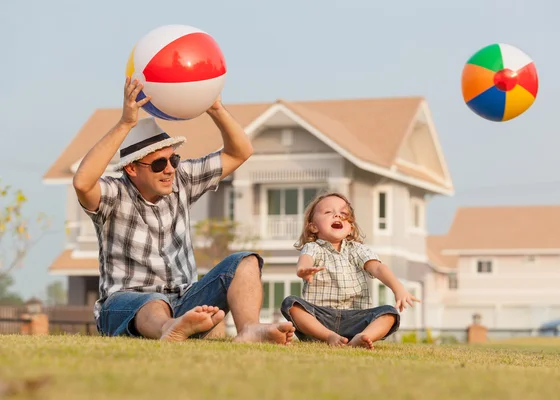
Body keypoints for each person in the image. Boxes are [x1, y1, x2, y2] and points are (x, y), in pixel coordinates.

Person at [73, 77, 295, 344]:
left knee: (246, 261)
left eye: (173, 159)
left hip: (185, 299)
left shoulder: (181, 179)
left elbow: (240, 152)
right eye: (158, 164)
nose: (169, 168)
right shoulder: (114, 194)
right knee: (154, 301)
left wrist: (215, 108)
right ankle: (171, 328)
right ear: (131, 169)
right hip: (125, 304)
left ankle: (249, 328)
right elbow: (82, 182)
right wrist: (126, 123)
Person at [280, 192, 420, 349]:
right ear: (313, 226)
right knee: (290, 303)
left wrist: (398, 288)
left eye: (343, 214)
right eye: (328, 212)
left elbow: (378, 268)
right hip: (321, 318)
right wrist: (303, 270)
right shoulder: (313, 247)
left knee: (389, 313)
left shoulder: (357, 250)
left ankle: (363, 336)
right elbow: (305, 259)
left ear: (350, 228)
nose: (337, 216)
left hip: (356, 317)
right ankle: (328, 336)